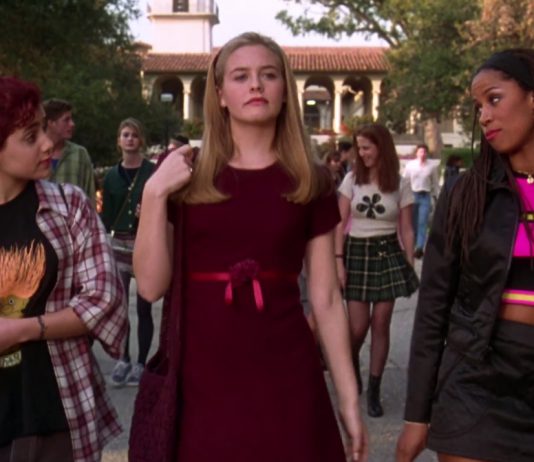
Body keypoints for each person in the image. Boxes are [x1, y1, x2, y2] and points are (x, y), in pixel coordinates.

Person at [132, 32, 368, 462]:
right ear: (220, 94)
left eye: (268, 75)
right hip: (201, 379)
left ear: (284, 91)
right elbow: (149, 287)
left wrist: (349, 397)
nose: (256, 85)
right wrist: (153, 194)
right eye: (241, 76)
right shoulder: (186, 175)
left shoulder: (309, 180)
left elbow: (328, 299)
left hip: (288, 374)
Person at [396, 48, 534, 462]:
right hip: (477, 379)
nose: (484, 116)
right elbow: (433, 306)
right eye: (478, 106)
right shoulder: (465, 194)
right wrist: (417, 415)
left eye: (494, 99)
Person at [0, 77, 127, 462]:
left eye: (44, 128)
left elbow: (104, 299)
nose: (47, 144)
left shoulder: (69, 206)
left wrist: (22, 329)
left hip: (52, 408)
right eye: (29, 136)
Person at [335, 124, 419, 418]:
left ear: (381, 147)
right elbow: (338, 222)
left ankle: (374, 389)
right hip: (356, 252)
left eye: (366, 147)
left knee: (381, 322)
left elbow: (407, 229)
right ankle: (351, 362)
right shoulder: (351, 180)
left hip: (387, 254)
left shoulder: (400, 183)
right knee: (358, 327)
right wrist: (338, 261)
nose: (361, 153)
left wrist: (408, 261)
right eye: (359, 148)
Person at [100, 118, 155, 387]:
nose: (130, 139)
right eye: (125, 134)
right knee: (120, 307)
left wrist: (152, 211)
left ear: (141, 140)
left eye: (134, 134)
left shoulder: (152, 172)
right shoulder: (111, 176)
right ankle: (123, 358)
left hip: (144, 244)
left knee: (144, 307)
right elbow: (105, 216)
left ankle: (142, 363)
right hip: (118, 245)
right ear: (118, 141)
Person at [43, 98, 96, 207]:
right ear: (51, 123)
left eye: (71, 119)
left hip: (73, 222)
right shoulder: (35, 153)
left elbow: (90, 195)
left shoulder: (80, 154)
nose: (72, 124)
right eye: (66, 120)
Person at [403, 143, 440, 258]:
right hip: (413, 195)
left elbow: (435, 183)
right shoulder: (410, 166)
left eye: (424, 152)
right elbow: (405, 181)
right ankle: (411, 246)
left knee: (422, 222)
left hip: (425, 195)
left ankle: (419, 247)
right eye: (420, 151)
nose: (423, 154)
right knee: (412, 222)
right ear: (417, 153)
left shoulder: (431, 167)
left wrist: (437, 197)